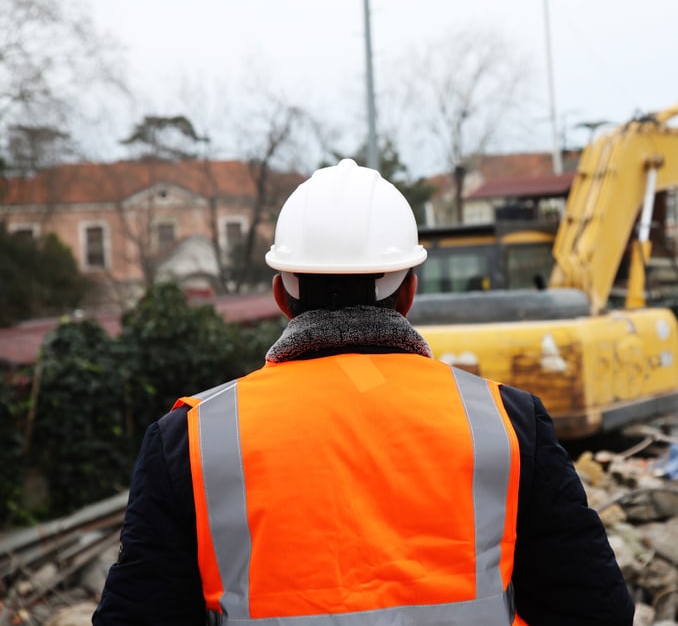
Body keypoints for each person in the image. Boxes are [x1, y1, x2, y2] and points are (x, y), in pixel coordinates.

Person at [93, 159, 634, 625]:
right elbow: (596, 611)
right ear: (409, 291)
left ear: (282, 292)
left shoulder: (190, 440)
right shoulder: (508, 423)